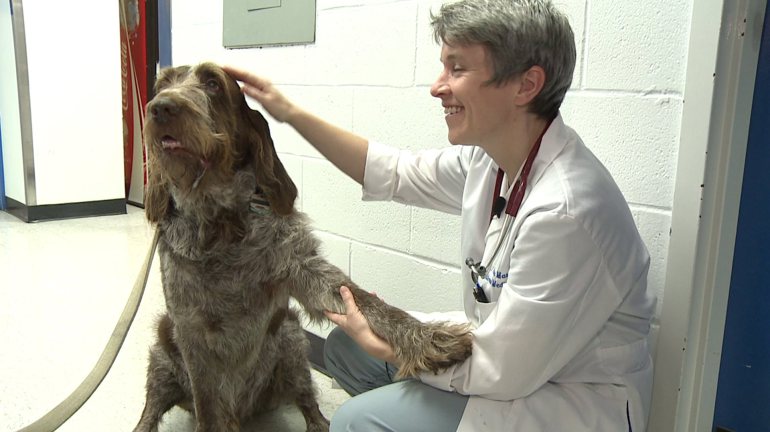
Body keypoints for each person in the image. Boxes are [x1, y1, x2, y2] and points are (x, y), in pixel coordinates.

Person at [224, 0, 657, 430]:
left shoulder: (567, 211)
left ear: (526, 86)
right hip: (512, 358)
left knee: (357, 422)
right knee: (343, 348)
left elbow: (504, 371)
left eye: (457, 68)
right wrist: (289, 113)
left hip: (564, 397)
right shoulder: (490, 162)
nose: (437, 86)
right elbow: (394, 173)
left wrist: (392, 346)